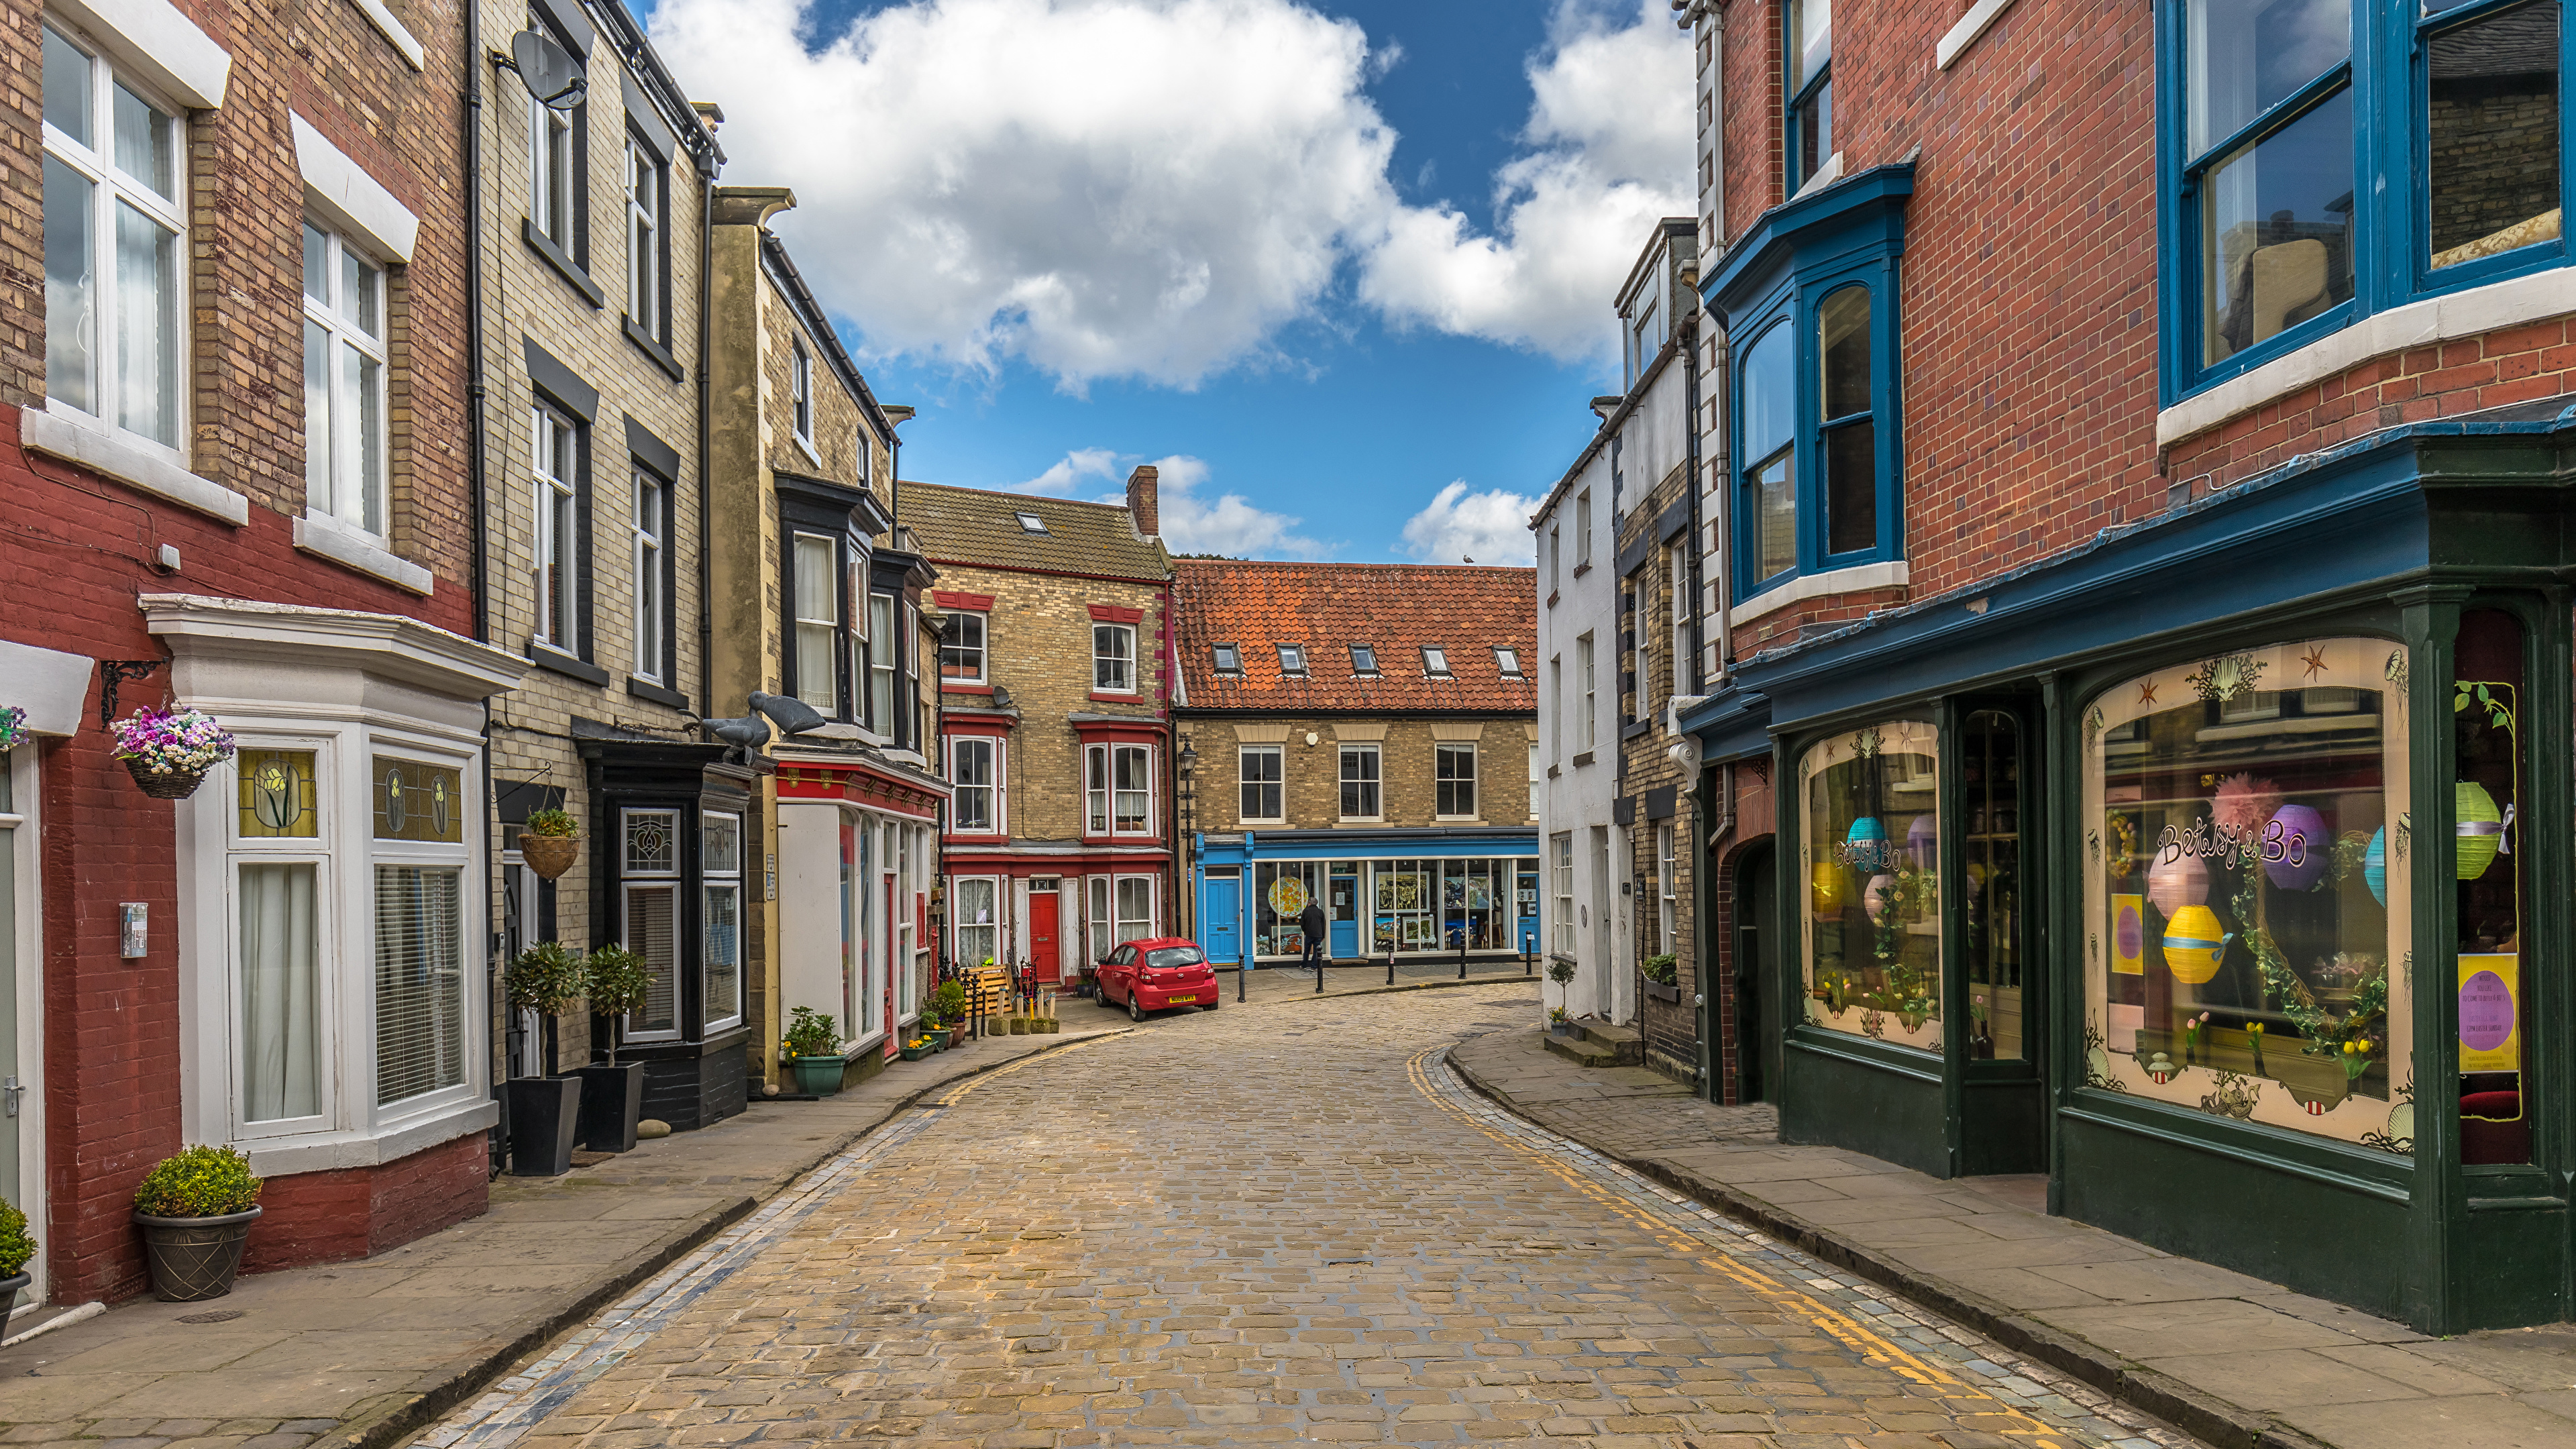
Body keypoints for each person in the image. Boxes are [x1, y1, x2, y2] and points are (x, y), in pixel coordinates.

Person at [1299, 896, 1328, 973]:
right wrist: (1323, 935)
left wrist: (1305, 931)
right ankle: (1314, 967)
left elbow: (1302, 923)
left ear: (1309, 903)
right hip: (1318, 934)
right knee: (1316, 951)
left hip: (1309, 933)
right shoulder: (1320, 911)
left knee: (1307, 950)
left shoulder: (1306, 911)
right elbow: (1323, 924)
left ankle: (1304, 965)